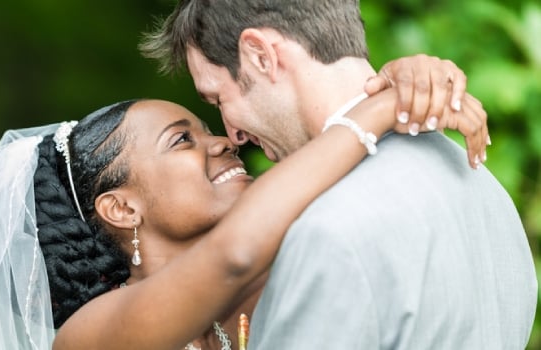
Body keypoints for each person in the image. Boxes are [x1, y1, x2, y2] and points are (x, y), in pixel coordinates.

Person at [0, 64, 489, 349]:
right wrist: (379, 110)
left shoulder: (289, 262)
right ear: (121, 208)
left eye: (208, 129)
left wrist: (411, 77)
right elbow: (233, 253)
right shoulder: (90, 336)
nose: (225, 142)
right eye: (183, 140)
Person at [139, 0, 537, 348]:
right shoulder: (483, 185)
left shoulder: (326, 230)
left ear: (261, 54)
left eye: (219, 98)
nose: (232, 133)